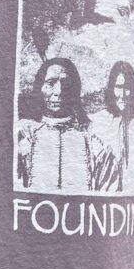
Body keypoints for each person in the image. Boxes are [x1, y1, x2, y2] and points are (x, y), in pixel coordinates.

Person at [17, 58, 93, 192]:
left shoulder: (90, 136)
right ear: (39, 87)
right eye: (51, 83)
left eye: (66, 84)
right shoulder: (24, 134)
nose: (58, 91)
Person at [91, 61, 134, 192]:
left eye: (128, 87)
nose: (123, 94)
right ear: (111, 88)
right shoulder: (97, 123)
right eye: (119, 87)